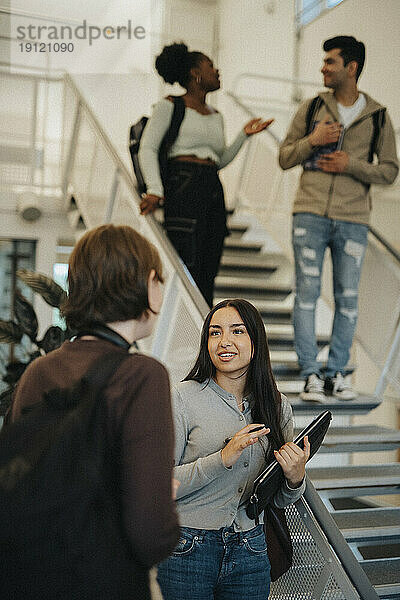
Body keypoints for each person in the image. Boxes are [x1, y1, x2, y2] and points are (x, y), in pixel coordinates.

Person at [9, 224, 180, 599]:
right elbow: (152, 536)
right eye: (160, 280)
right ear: (147, 283)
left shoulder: (39, 371)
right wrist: (162, 499)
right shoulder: (142, 376)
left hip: (34, 579)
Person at [157, 298, 310, 600]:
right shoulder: (183, 398)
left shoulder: (277, 407)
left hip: (251, 548)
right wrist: (221, 459)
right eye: (215, 333)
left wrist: (294, 478)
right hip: (187, 548)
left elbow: (276, 497)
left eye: (237, 331)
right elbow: (162, 484)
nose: (224, 341)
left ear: (256, 342)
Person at [279, 36, 398, 402]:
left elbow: (390, 171)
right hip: (310, 213)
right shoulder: (313, 106)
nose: (323, 68)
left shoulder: (377, 116)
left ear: (352, 67)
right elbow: (285, 157)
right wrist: (313, 140)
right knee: (307, 296)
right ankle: (311, 375)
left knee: (347, 300)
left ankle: (338, 374)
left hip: (353, 220)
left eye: (330, 61)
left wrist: (352, 165)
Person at [139, 42, 273, 307]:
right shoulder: (171, 105)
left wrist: (243, 136)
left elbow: (219, 159)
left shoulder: (216, 115)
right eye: (210, 65)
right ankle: (177, 325)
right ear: (195, 73)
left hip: (212, 186)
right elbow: (148, 147)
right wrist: (155, 189)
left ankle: (201, 329)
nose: (217, 71)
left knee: (208, 269)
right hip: (182, 183)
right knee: (184, 263)